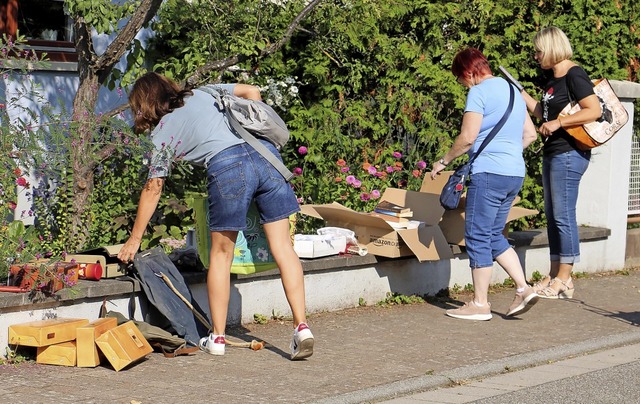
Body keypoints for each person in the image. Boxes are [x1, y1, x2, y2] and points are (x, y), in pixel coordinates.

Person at [117, 72, 314, 360]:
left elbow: (153, 187)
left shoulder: (161, 134)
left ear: (143, 104)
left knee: (222, 254)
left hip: (228, 168)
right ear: (168, 88)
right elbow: (252, 90)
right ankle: (302, 327)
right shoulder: (205, 92)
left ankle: (218, 338)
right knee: (284, 247)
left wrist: (135, 239)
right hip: (267, 156)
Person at [430, 48, 538, 321]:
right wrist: (508, 154)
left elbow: (467, 137)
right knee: (493, 236)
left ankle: (480, 304)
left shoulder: (478, 92)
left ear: (469, 72)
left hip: (489, 174)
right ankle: (524, 288)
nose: (462, 85)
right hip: (514, 173)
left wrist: (443, 161)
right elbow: (531, 135)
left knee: (477, 235)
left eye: (460, 79)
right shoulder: (514, 91)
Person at [519, 27, 601, 299]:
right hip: (553, 152)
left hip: (569, 153)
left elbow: (594, 109)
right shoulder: (552, 79)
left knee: (563, 215)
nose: (536, 56)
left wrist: (559, 123)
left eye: (538, 50)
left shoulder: (574, 74)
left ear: (552, 48)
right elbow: (545, 114)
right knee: (554, 216)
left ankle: (565, 278)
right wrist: (522, 95)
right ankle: (554, 274)